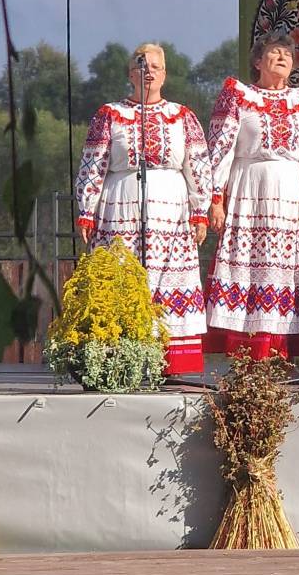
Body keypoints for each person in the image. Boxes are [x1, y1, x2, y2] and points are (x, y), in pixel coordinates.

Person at [75, 43, 210, 374]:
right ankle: (121, 361)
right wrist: (86, 208)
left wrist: (200, 209)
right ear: (129, 74)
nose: (147, 71)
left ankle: (170, 363)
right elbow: (93, 163)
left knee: (168, 281)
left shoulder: (182, 116)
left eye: (155, 66)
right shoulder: (110, 114)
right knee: (123, 275)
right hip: (121, 206)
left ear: (164, 74)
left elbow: (198, 164)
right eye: (140, 65)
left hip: (171, 211)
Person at [205, 32, 299, 360]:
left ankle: (281, 349)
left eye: (287, 53)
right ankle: (248, 350)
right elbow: (221, 147)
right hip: (249, 188)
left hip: (289, 191)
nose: (283, 57)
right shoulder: (239, 95)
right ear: (258, 61)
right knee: (251, 267)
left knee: (284, 268)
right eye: (274, 52)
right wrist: (216, 197)